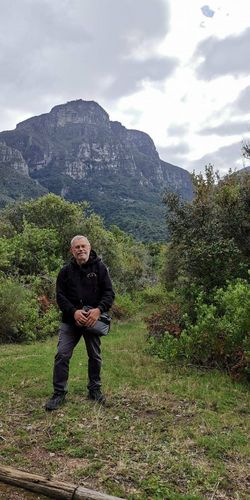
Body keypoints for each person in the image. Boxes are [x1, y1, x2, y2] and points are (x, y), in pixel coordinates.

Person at [45, 235, 115, 411]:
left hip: (93, 320)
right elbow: (60, 297)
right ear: (72, 250)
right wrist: (74, 311)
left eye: (83, 246)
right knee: (62, 354)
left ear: (89, 248)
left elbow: (109, 293)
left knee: (95, 356)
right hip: (71, 321)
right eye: (77, 247)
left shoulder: (100, 268)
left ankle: (94, 390)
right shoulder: (65, 271)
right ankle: (59, 393)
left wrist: (98, 310)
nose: (80, 249)